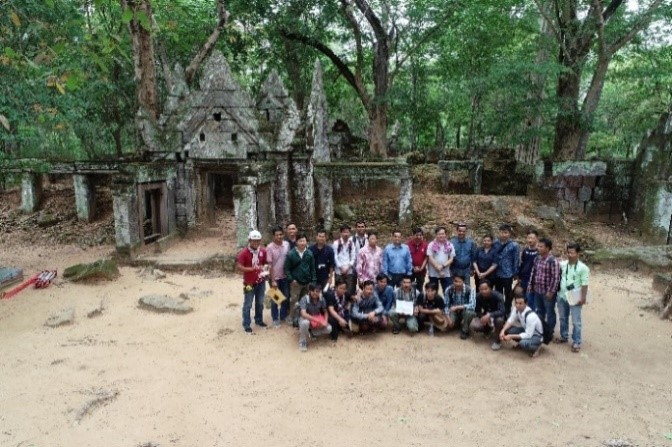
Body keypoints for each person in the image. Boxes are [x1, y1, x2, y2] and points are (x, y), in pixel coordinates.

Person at [556, 242, 590, 353]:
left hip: (575, 296)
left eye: (572, 253)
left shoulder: (583, 268)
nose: (570, 255)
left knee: (576, 321)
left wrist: (583, 297)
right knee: (562, 317)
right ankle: (564, 336)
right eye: (568, 252)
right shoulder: (563, 264)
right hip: (562, 294)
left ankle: (576, 342)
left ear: (578, 253)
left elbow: (585, 283)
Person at [235, 230, 269, 334]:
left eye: (258, 241)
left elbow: (265, 263)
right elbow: (239, 266)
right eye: (254, 241)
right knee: (248, 303)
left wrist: (266, 271)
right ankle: (246, 324)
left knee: (260, 302)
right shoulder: (244, 253)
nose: (256, 243)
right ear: (249, 240)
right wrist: (251, 269)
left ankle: (258, 320)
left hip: (261, 281)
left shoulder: (263, 251)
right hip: (248, 283)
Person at [527, 237, 560, 336]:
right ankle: (541, 329)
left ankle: (549, 332)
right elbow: (533, 272)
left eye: (541, 246)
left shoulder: (553, 261)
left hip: (547, 292)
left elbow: (555, 278)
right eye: (538, 246)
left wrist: (551, 292)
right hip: (538, 290)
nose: (538, 248)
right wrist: (530, 285)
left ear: (547, 248)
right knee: (540, 311)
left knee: (550, 312)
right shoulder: (537, 258)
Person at [284, 233, 317, 324]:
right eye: (300, 241)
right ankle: (291, 317)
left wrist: (313, 281)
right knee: (294, 300)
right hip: (296, 283)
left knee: (304, 301)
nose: (302, 243)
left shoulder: (309, 254)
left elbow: (313, 268)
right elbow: (286, 269)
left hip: (307, 282)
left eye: (304, 241)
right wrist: (291, 279)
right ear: (296, 242)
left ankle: (300, 317)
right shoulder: (291, 254)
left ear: (307, 242)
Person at [499, 293, 544, 357]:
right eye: (516, 303)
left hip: (536, 336)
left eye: (520, 303)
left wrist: (511, 336)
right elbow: (510, 320)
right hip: (526, 330)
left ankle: (537, 347)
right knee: (508, 330)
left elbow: (528, 335)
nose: (517, 305)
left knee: (522, 343)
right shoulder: (516, 309)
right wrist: (502, 330)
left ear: (526, 304)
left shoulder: (531, 316)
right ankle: (525, 343)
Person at [469, 280, 506, 348]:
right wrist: (482, 317)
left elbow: (502, 311)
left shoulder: (498, 296)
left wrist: (489, 315)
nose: (483, 291)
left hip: (497, 316)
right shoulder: (478, 297)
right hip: (486, 315)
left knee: (499, 320)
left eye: (486, 289)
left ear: (490, 288)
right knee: (474, 325)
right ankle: (487, 330)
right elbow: (477, 311)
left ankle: (497, 341)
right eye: (481, 289)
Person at [266, 225, 290, 327]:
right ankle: (275, 318)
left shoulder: (287, 244)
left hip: (285, 277)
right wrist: (272, 280)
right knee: (275, 299)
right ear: (273, 236)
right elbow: (269, 265)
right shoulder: (269, 247)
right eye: (277, 235)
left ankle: (283, 316)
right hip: (274, 278)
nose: (279, 237)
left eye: (281, 234)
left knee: (285, 297)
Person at [493, 224, 520, 315]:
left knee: (508, 293)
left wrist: (516, 273)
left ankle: (507, 310)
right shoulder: (495, 243)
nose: (503, 234)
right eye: (502, 232)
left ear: (509, 233)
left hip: (508, 273)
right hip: (497, 272)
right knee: (498, 292)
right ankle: (499, 309)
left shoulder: (514, 245)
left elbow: (516, 259)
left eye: (505, 232)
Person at [298, 283, 332, 352]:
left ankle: (312, 333)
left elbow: (325, 311)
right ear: (309, 291)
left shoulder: (322, 299)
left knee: (329, 328)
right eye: (313, 291)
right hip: (306, 318)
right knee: (305, 323)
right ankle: (303, 341)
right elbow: (303, 314)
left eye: (317, 291)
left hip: (316, 319)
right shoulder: (304, 298)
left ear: (320, 292)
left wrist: (325, 321)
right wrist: (316, 320)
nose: (315, 293)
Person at [427, 226, 454, 294]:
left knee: (447, 292)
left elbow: (451, 258)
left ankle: (447, 304)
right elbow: (430, 257)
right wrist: (437, 267)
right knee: (433, 292)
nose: (441, 235)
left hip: (445, 273)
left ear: (445, 234)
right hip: (433, 272)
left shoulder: (450, 245)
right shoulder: (431, 244)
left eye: (443, 234)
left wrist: (442, 266)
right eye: (439, 234)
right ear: (436, 235)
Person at [517, 230, 539, 311]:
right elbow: (522, 264)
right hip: (524, 278)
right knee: (523, 298)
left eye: (532, 238)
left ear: (537, 239)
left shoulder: (539, 252)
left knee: (531, 300)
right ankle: (524, 315)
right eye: (529, 238)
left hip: (534, 279)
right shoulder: (525, 250)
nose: (530, 240)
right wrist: (519, 276)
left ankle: (532, 317)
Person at [325, 279, 352, 343]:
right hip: (331, 314)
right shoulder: (330, 295)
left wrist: (349, 305)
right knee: (332, 320)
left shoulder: (346, 294)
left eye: (344, 288)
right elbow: (331, 310)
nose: (342, 290)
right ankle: (334, 336)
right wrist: (340, 319)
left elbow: (353, 298)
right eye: (340, 288)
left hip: (342, 312)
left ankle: (343, 328)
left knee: (350, 317)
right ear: (336, 287)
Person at [333, 225, 357, 295]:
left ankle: (347, 305)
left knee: (348, 291)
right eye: (344, 232)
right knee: (338, 291)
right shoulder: (336, 243)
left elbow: (353, 257)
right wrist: (341, 268)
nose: (346, 234)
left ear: (350, 233)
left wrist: (347, 268)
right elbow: (335, 257)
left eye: (347, 232)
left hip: (349, 271)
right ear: (340, 233)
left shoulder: (351, 244)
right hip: (339, 271)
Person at [408, 227, 428, 292]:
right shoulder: (408, 245)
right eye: (417, 235)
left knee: (420, 288)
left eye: (420, 235)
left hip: (421, 271)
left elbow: (426, 257)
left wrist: (421, 268)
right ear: (413, 235)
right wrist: (413, 267)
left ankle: (420, 301)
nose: (418, 237)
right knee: (409, 287)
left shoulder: (425, 245)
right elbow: (407, 258)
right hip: (411, 270)